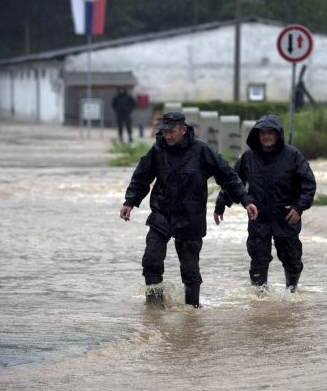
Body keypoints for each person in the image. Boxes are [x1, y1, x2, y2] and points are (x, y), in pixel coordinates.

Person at [119, 112, 258, 307]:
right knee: (151, 260)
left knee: (190, 270)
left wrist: (245, 200)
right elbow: (142, 178)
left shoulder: (201, 150)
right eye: (164, 132)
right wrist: (129, 202)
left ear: (183, 130)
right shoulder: (158, 150)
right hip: (162, 214)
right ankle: (154, 306)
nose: (167, 136)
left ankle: (192, 310)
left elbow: (227, 176)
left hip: (190, 217)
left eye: (172, 132)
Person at [214, 115, 316, 293]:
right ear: (257, 135)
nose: (266, 136)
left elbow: (309, 183)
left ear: (278, 135)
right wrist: (221, 203)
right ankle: (260, 298)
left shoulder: (292, 155)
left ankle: (291, 292)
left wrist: (299, 207)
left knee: (292, 260)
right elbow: (233, 182)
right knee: (258, 260)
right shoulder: (248, 157)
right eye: (263, 133)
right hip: (258, 217)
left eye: (270, 133)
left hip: (286, 216)